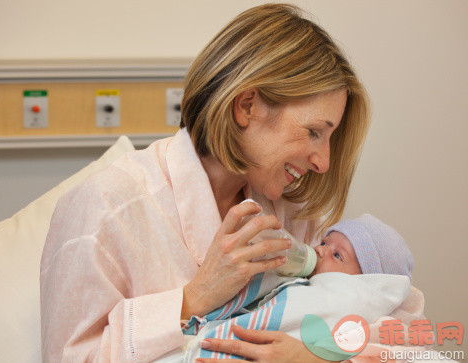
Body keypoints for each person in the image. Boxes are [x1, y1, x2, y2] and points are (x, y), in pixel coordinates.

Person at [40, 3, 370, 362]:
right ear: (246, 106)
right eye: (313, 133)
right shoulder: (106, 210)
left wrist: (314, 357)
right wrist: (192, 299)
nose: (323, 162)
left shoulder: (294, 217)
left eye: (328, 139)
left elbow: (372, 318)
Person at [184, 214, 414, 361]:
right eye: (324, 242)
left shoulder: (353, 304)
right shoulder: (298, 280)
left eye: (337, 255)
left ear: (366, 281)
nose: (320, 250)